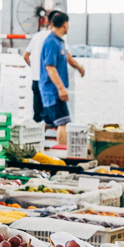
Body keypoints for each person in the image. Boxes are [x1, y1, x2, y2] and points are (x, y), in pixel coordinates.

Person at [39, 10, 84, 147]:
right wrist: (61, 88)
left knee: (49, 123)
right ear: (65, 24)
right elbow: (50, 67)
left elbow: (68, 58)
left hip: (51, 91)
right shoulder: (51, 42)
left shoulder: (59, 42)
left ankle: (40, 150)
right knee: (63, 123)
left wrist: (79, 67)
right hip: (53, 91)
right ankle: (61, 155)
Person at [23, 7, 49, 122]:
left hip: (35, 77)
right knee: (49, 110)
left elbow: (25, 56)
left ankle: (38, 133)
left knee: (37, 111)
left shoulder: (36, 36)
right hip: (48, 78)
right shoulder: (53, 38)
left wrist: (34, 67)